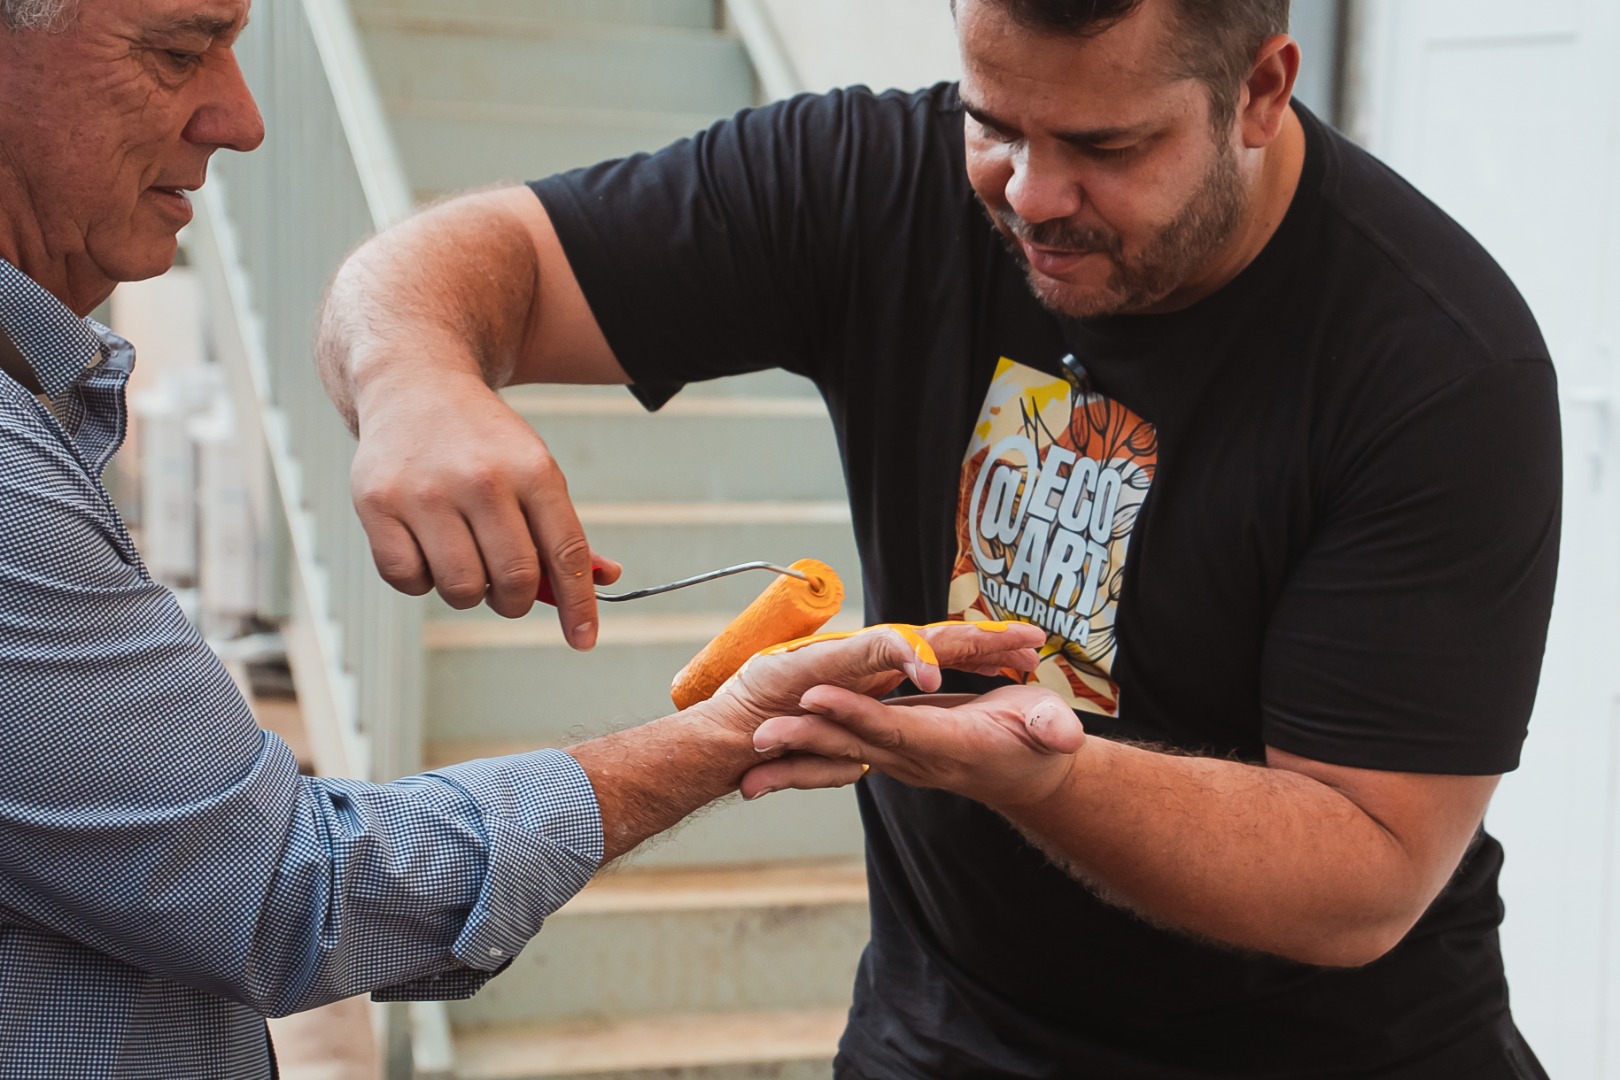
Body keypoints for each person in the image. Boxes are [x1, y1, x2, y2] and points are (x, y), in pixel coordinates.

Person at [316, 0, 1563, 1076]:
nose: (1031, 196)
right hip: (946, 1035)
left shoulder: (1437, 364)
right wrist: (415, 377)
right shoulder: (871, 177)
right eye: (994, 123)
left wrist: (1042, 775)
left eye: (1106, 146)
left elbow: (1364, 876)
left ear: (1261, 91)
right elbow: (449, 267)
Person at [0, 1, 1049, 1076]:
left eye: (1112, 145)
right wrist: (723, 736)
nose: (244, 118)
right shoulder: (866, 175)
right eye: (177, 52)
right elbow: (282, 891)